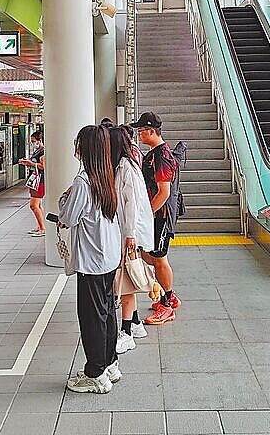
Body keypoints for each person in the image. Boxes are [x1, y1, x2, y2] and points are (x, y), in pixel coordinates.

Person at [59, 124, 123, 394]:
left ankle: (95, 373)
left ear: (85, 148)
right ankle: (109, 364)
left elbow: (68, 217)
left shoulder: (84, 182)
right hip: (107, 256)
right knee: (107, 311)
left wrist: (65, 198)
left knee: (91, 316)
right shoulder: (106, 174)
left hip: (92, 261)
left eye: (77, 142)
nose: (74, 145)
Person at [131, 112, 181, 325]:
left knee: (159, 258)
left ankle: (167, 305)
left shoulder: (161, 156)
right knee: (150, 255)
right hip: (155, 214)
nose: (139, 135)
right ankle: (169, 295)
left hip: (160, 214)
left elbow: (164, 192)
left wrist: (146, 214)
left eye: (141, 131)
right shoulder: (154, 153)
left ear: (151, 131)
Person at [110, 126, 154, 353]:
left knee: (126, 283)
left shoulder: (125, 167)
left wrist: (130, 235)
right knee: (128, 280)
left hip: (130, 234)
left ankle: (126, 332)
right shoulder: (125, 165)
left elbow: (131, 205)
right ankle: (136, 324)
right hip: (130, 233)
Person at [20, 130, 46, 237]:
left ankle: (43, 228)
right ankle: (41, 226)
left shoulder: (43, 151)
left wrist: (30, 163)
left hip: (40, 181)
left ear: (40, 141)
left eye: (34, 141)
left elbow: (43, 166)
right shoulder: (37, 151)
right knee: (38, 205)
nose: (32, 143)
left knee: (33, 205)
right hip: (35, 180)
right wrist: (28, 163)